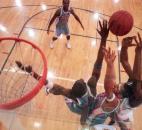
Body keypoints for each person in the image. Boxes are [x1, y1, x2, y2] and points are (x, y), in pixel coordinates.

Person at [16, 19, 110, 125]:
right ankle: (51, 90)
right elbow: (98, 64)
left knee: (55, 89)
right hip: (81, 105)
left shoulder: (69, 93)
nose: (82, 79)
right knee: (83, 111)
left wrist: (30, 71)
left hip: (78, 107)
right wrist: (103, 39)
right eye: (82, 81)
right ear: (85, 87)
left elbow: (45, 81)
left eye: (80, 81)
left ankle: (51, 90)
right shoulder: (90, 87)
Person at [117, 33, 142, 108]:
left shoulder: (138, 91)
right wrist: (124, 48)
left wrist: (138, 52)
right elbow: (124, 61)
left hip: (127, 106)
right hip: (126, 93)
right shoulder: (134, 80)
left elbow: (137, 90)